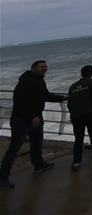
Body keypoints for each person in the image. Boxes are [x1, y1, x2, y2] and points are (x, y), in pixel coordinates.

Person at [0, 60, 67, 189]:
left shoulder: (40, 80)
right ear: (34, 68)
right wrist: (33, 116)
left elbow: (46, 96)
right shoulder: (25, 81)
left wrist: (63, 98)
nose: (45, 69)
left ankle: (39, 165)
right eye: (42, 67)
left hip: (36, 118)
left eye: (45, 67)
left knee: (37, 142)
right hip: (22, 120)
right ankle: (2, 178)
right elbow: (22, 100)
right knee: (14, 149)